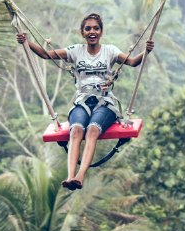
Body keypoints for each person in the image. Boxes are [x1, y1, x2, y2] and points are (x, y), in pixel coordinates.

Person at [17, 13, 153, 190]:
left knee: (92, 130)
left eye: (96, 28)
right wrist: (27, 42)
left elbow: (133, 62)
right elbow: (45, 55)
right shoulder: (75, 51)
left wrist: (146, 51)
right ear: (82, 32)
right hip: (82, 101)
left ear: (101, 31)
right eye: (88, 28)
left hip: (105, 102)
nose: (92, 32)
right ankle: (70, 176)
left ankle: (80, 176)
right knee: (76, 131)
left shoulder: (110, 51)